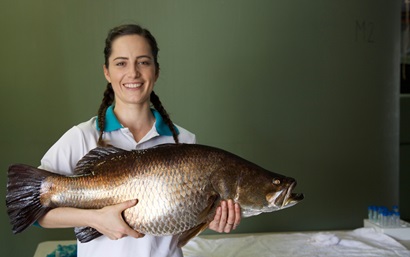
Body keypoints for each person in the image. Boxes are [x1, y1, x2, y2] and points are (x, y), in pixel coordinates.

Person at [37, 24, 241, 257]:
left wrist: (211, 219)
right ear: (107, 72)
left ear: (156, 70)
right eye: (121, 63)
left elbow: (184, 225)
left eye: (143, 62)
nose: (133, 73)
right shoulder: (82, 136)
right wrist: (94, 218)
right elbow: (33, 212)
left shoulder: (183, 141)